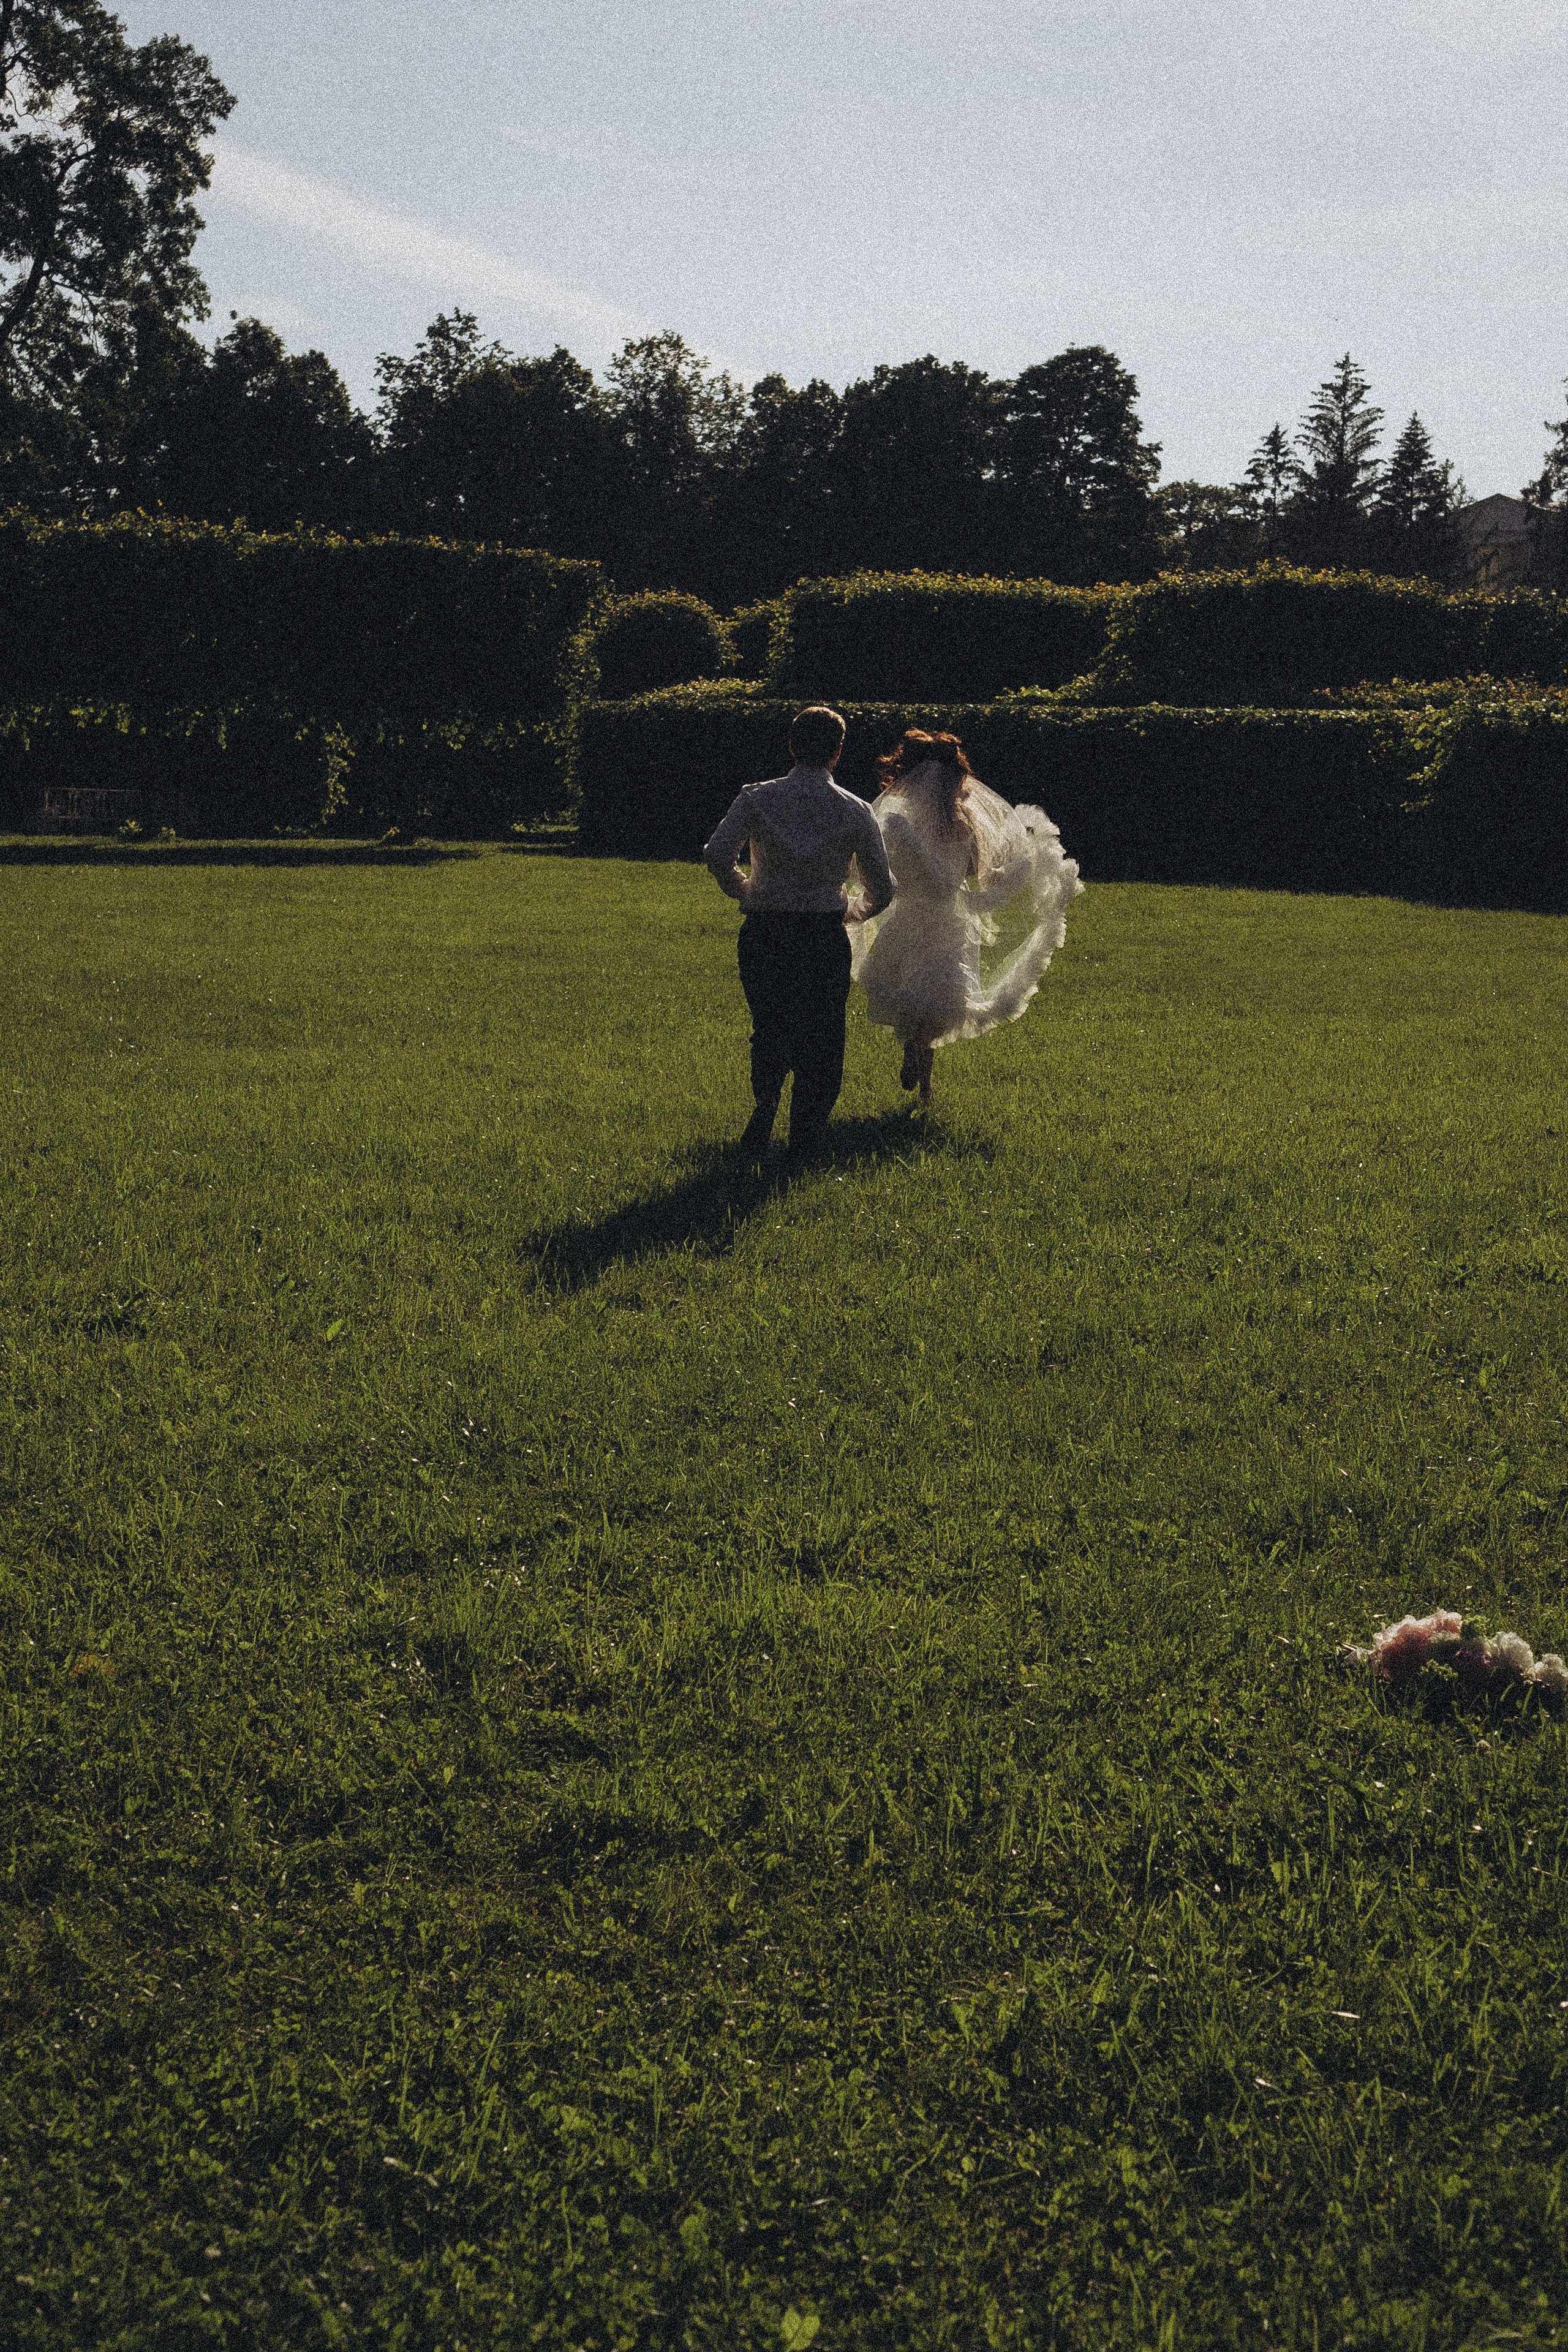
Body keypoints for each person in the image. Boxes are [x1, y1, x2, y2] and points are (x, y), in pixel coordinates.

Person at [704, 706, 895, 1161]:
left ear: (792, 746)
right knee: (823, 1034)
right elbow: (882, 889)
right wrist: (852, 911)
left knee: (769, 1025)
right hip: (821, 934)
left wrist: (746, 890)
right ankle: (806, 1133)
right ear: (838, 752)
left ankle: (766, 1104)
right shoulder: (855, 810)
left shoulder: (755, 798)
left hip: (766, 929)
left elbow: (717, 853)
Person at [854, 728, 1082, 1104]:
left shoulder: (950, 824)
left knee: (938, 1006)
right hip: (933, 923)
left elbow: (986, 875)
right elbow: (932, 877)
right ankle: (923, 1075)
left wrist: (1024, 866)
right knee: (932, 1007)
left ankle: (920, 1067)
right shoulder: (926, 824)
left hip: (927, 922)